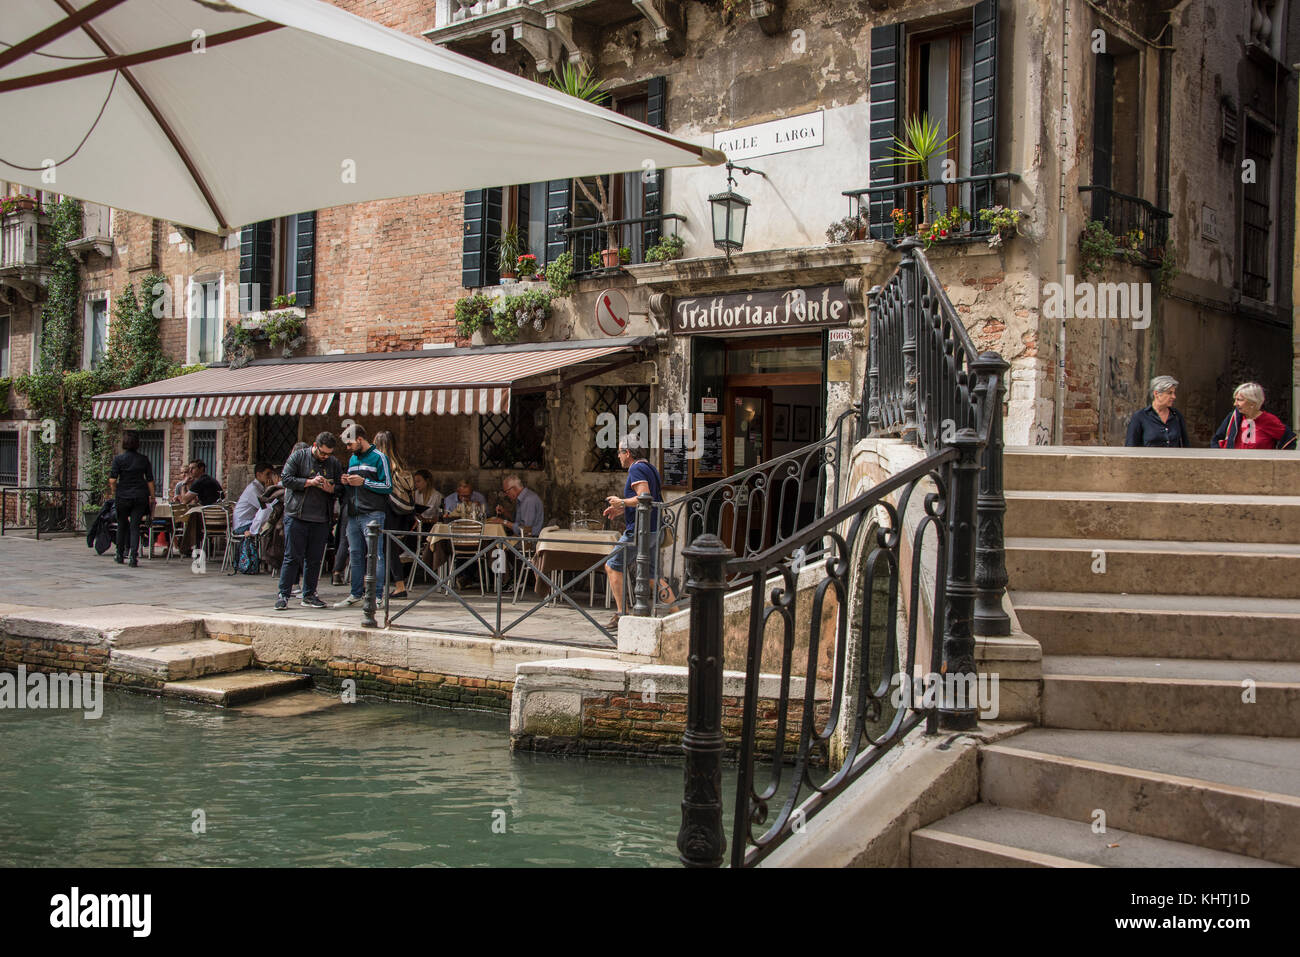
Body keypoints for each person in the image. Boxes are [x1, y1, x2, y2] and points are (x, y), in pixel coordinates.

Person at [602, 440, 674, 630]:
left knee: (612, 565)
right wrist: (621, 510)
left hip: (640, 531)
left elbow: (644, 496)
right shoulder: (651, 468)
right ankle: (677, 612)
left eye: (619, 452)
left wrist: (621, 503)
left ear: (628, 453)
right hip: (654, 529)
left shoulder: (636, 469)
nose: (618, 456)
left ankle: (621, 614)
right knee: (651, 575)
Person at [274, 433, 341, 611]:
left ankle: (310, 594)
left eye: (328, 454)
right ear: (315, 445)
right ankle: (283, 594)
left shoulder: (333, 463)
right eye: (322, 453)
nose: (325, 457)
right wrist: (309, 482)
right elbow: (285, 479)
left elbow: (341, 488)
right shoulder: (299, 456)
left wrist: (331, 488)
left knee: (314, 559)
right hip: (297, 515)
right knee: (292, 556)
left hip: (321, 518)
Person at [334, 425, 392, 608]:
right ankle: (355, 593)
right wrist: (347, 482)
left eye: (350, 444)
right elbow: (355, 487)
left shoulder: (380, 458)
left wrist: (364, 481)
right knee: (355, 553)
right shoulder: (352, 459)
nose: (348, 448)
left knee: (375, 555)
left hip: (373, 513)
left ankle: (377, 595)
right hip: (353, 513)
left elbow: (388, 486)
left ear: (360, 439)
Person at [374, 431, 416, 599]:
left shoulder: (381, 464)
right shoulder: (400, 464)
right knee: (390, 549)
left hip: (386, 511)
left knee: (383, 549)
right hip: (400, 513)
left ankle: (392, 585)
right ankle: (397, 585)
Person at [108, 431, 156, 568]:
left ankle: (119, 554)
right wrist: (152, 497)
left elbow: (112, 480)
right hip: (140, 496)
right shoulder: (144, 459)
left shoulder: (118, 459)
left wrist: (114, 492)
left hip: (123, 496)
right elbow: (150, 481)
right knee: (135, 526)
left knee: (122, 525)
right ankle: (133, 557)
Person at [1212, 381, 1298, 450]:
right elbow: (1216, 440)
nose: (1235, 404)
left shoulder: (1268, 420)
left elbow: (1290, 440)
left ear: (1252, 403)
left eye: (1239, 400)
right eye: (1235, 399)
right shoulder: (1233, 417)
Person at [1125, 375, 1191, 447]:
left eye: (1174, 393)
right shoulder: (1140, 417)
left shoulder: (1176, 416)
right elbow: (1130, 447)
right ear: (1156, 394)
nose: (1174, 397)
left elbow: (1186, 444)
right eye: (1169, 393)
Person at [233, 463, 276, 535]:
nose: (270, 477)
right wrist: (270, 489)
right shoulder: (253, 489)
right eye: (267, 474)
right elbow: (265, 508)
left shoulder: (260, 487)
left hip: (250, 522)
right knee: (270, 527)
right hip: (243, 525)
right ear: (259, 475)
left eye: (272, 474)